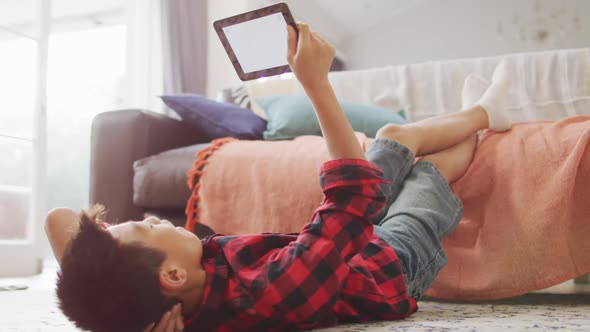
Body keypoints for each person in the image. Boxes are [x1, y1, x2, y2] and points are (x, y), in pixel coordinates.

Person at [45, 22, 513, 332]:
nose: (153, 217)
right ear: (170, 274)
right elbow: (351, 198)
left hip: (347, 243)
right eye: (148, 227)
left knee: (393, 136)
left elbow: (57, 221)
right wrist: (315, 83)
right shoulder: (267, 296)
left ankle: (484, 110)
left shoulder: (184, 296)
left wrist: (105, 271)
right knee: (425, 176)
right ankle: (483, 123)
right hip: (391, 267)